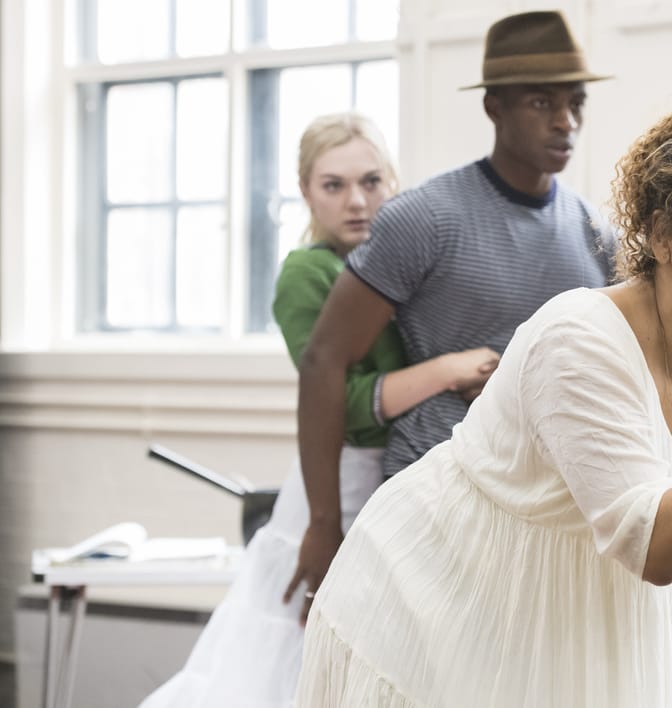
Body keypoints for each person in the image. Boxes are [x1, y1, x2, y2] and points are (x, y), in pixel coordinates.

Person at [292, 101, 672, 707]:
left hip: (574, 625)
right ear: (661, 235)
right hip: (424, 613)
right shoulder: (579, 338)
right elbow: (655, 547)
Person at [139, 111, 498, 708]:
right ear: (306, 190)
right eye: (334, 185)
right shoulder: (308, 272)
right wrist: (445, 370)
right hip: (339, 485)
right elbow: (348, 404)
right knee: (294, 671)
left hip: (394, 489)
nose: (357, 201)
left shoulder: (396, 267)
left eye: (372, 181)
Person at [289, 9, 615, 620]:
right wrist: (323, 524)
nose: (565, 120)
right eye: (542, 102)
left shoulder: (593, 230)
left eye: (575, 102)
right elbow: (324, 359)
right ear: (494, 107)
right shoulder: (425, 217)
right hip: (439, 493)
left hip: (551, 505)